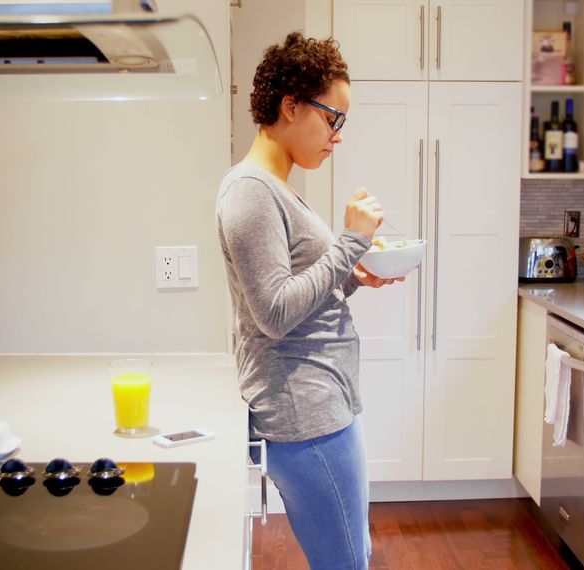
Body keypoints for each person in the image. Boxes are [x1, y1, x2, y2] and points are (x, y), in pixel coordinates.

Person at [215, 32, 403, 569]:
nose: (337, 136)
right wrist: (348, 243)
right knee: (347, 562)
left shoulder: (275, 187)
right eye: (332, 118)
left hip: (324, 403)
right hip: (305, 412)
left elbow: (296, 292)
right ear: (290, 105)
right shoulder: (251, 191)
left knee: (351, 554)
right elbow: (272, 313)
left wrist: (351, 276)